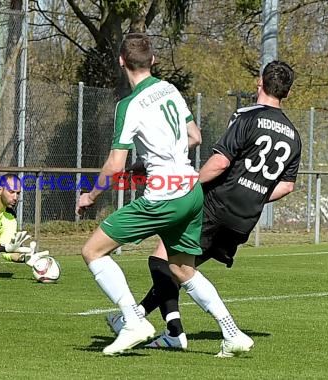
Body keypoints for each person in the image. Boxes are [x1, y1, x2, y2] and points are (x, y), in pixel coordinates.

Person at [108, 60, 300, 357]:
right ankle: (139, 319)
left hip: (215, 204)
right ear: (286, 91)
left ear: (259, 83)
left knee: (163, 261)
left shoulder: (248, 117)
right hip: (244, 218)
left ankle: (190, 331)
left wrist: (190, 184)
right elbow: (287, 186)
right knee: (180, 267)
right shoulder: (292, 134)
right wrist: (255, 195)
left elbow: (221, 162)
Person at [76, 32, 205, 356]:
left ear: (121, 62)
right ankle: (229, 334)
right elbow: (195, 136)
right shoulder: (170, 89)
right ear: (153, 61)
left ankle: (134, 320)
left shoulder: (129, 105)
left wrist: (92, 196)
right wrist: (160, 157)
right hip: (191, 188)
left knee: (93, 251)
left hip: (163, 195)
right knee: (181, 268)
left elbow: (114, 164)